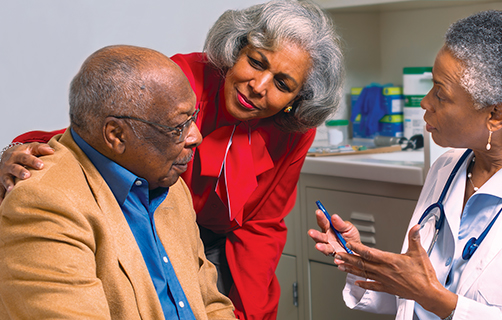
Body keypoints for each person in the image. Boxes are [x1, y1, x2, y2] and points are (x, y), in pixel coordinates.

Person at [0, 1, 345, 318]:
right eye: (256, 62)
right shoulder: (179, 79)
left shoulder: (294, 128)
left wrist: (251, 313)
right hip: (152, 228)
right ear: (237, 49)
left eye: (283, 83)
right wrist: (18, 149)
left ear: (296, 99)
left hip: (208, 248)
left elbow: (262, 225)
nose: (259, 86)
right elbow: (106, 134)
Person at [309, 10, 502, 319]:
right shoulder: (446, 167)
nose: (425, 102)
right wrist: (363, 260)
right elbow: (412, 297)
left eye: (441, 94)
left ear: (495, 116)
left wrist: (435, 298)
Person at [0, 45, 236, 319]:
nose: (196, 136)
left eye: (193, 118)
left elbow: (211, 304)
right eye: (178, 127)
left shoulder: (168, 182)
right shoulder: (43, 203)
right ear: (116, 135)